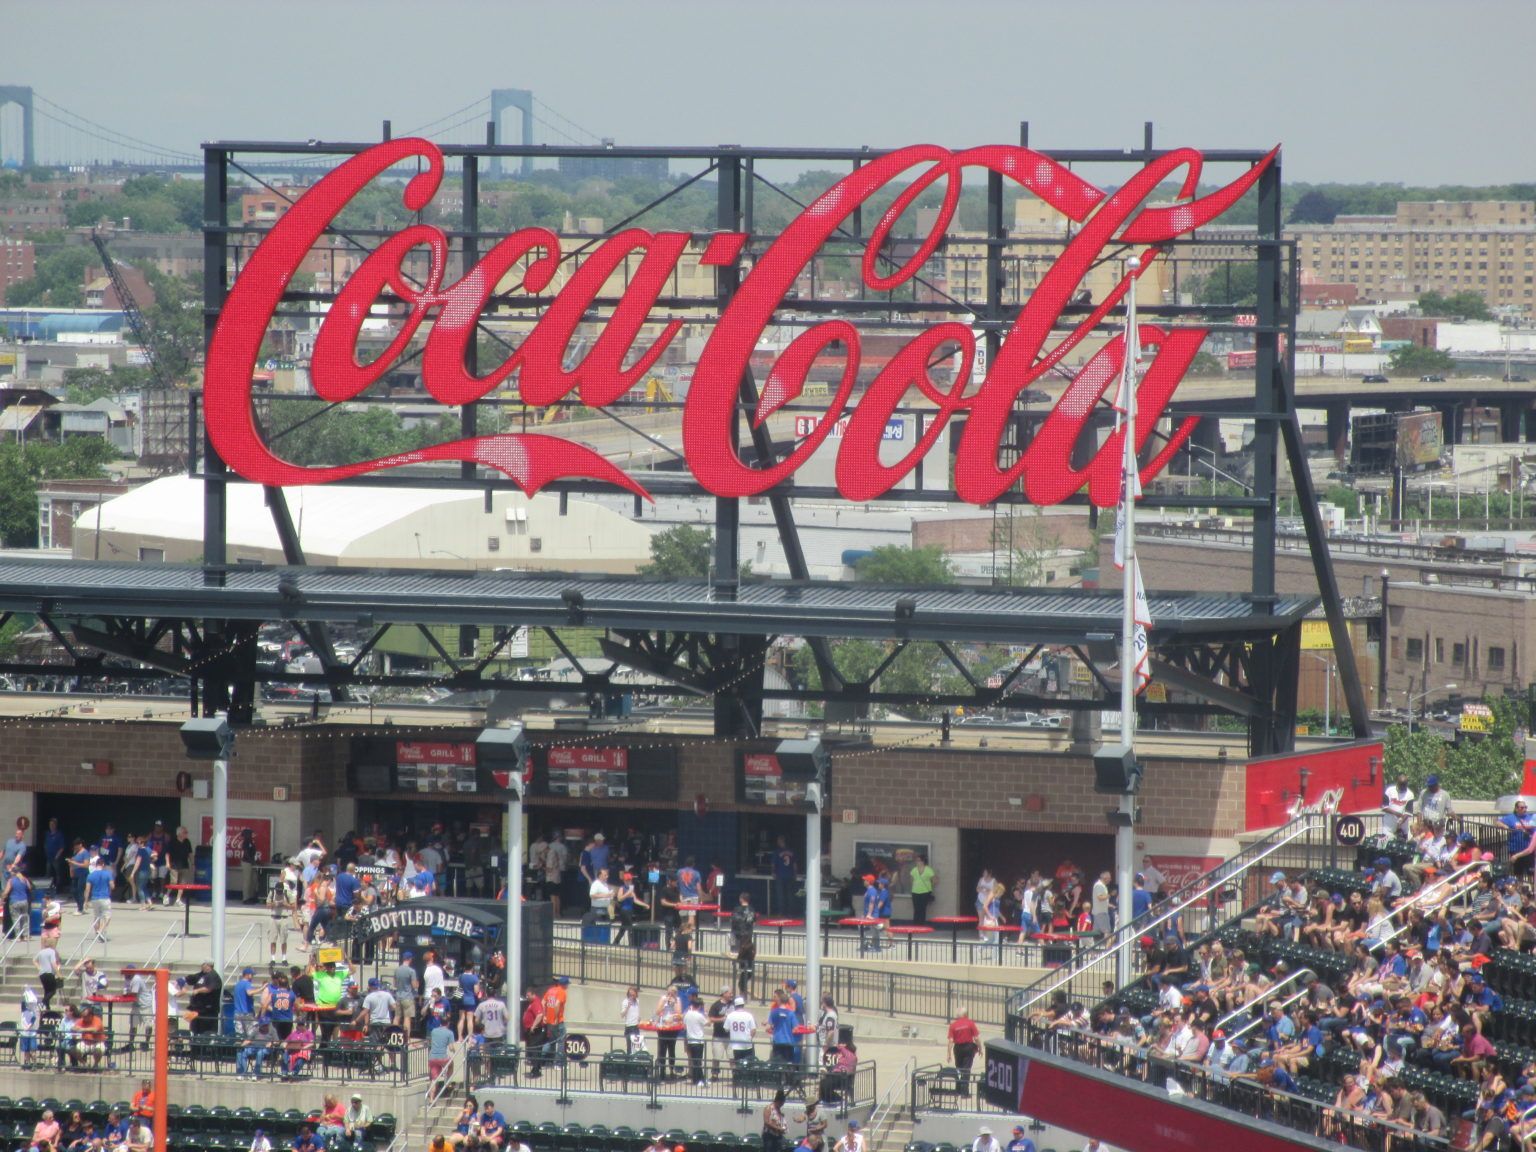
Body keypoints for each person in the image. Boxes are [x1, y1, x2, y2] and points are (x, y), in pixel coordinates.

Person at [731, 891, 758, 997]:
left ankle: (742, 988)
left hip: (739, 937)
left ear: (741, 899)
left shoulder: (737, 910)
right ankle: (743, 988)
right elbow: (753, 921)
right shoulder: (752, 910)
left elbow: (733, 922)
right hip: (748, 937)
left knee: (743, 965)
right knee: (747, 966)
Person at [948, 1006, 980, 1082]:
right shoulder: (970, 1023)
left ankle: (959, 1086)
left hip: (958, 1048)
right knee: (966, 1069)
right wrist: (980, 1048)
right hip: (968, 1047)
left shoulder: (953, 1025)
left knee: (959, 1068)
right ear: (966, 1014)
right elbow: (976, 1038)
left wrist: (949, 1054)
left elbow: (951, 1041)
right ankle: (964, 1090)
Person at [683, 993, 708, 1086]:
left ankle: (700, 1079)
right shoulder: (699, 1015)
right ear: (700, 1006)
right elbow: (708, 1023)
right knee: (698, 1062)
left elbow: (684, 1026)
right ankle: (697, 1080)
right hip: (698, 1041)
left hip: (690, 1040)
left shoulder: (687, 1014)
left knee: (695, 1061)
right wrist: (706, 1013)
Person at [726, 995, 758, 1064]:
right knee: (748, 1065)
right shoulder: (749, 1015)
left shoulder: (730, 1015)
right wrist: (749, 1038)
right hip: (747, 1044)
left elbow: (726, 1029)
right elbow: (754, 1030)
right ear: (743, 1005)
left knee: (737, 1065)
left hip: (735, 1045)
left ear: (735, 1005)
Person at [910, 854, 936, 924]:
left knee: (922, 908)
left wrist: (930, 886)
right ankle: (916, 923)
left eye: (919, 860)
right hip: (915, 891)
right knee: (916, 908)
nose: (917, 862)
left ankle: (921, 923)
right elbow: (911, 880)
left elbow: (934, 880)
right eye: (917, 861)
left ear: (923, 861)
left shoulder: (928, 870)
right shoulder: (914, 870)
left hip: (925, 891)